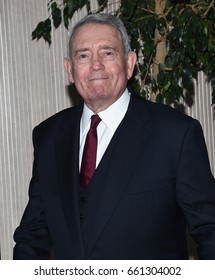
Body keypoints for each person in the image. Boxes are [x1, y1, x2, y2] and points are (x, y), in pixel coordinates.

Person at [13, 13, 215, 260]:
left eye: (107, 52)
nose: (96, 64)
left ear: (130, 64)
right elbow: (33, 234)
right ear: (70, 70)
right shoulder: (48, 136)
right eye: (83, 55)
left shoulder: (176, 135)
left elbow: (210, 231)